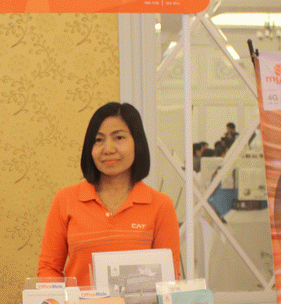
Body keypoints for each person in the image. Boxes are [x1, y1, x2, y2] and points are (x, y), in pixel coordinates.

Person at [38, 102, 182, 287]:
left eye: (119, 137)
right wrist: (58, 302)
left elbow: (170, 276)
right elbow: (49, 268)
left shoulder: (160, 204)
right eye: (98, 140)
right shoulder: (66, 199)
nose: (108, 149)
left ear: (137, 143)